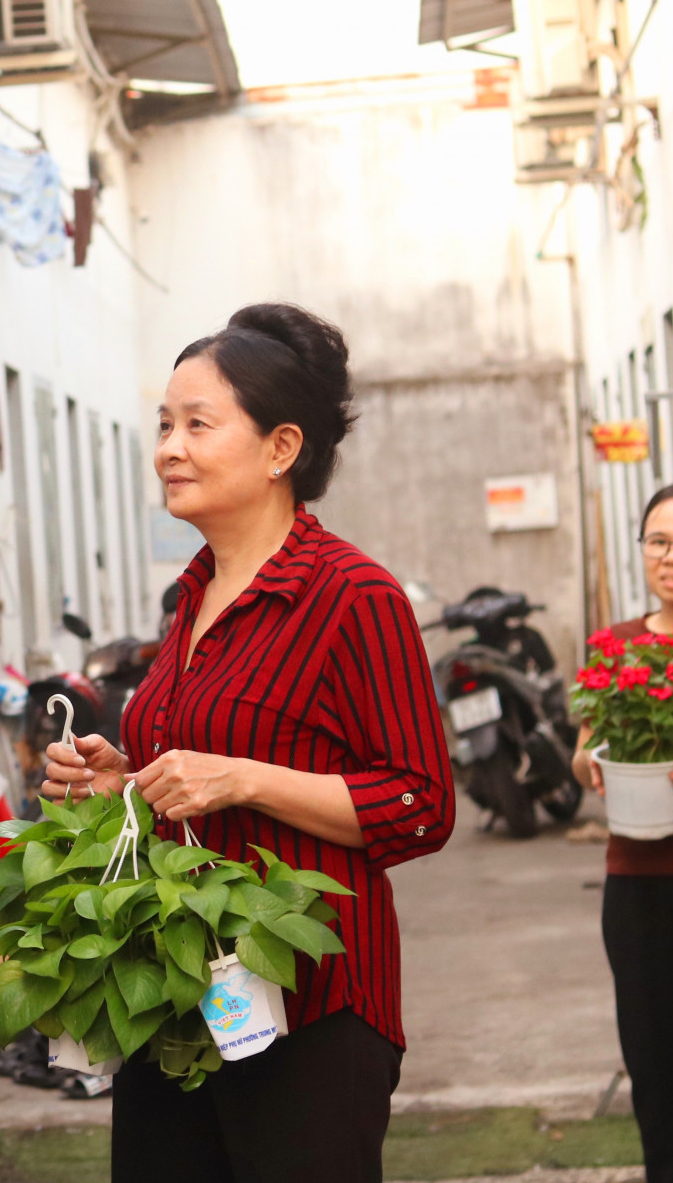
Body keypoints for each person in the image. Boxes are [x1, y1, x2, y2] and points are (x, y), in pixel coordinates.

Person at [44, 304, 453, 1183]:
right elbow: (194, 766)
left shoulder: (353, 596)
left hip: (313, 1005)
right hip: (179, 995)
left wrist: (243, 779)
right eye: (163, 424)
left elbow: (420, 804)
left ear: (280, 449)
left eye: (199, 424)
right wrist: (120, 778)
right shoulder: (191, 596)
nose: (169, 448)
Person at [571, 480, 673, 1183]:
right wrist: (589, 757)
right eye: (659, 540)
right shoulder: (615, 645)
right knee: (656, 1071)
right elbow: (584, 742)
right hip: (637, 888)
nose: (672, 555)